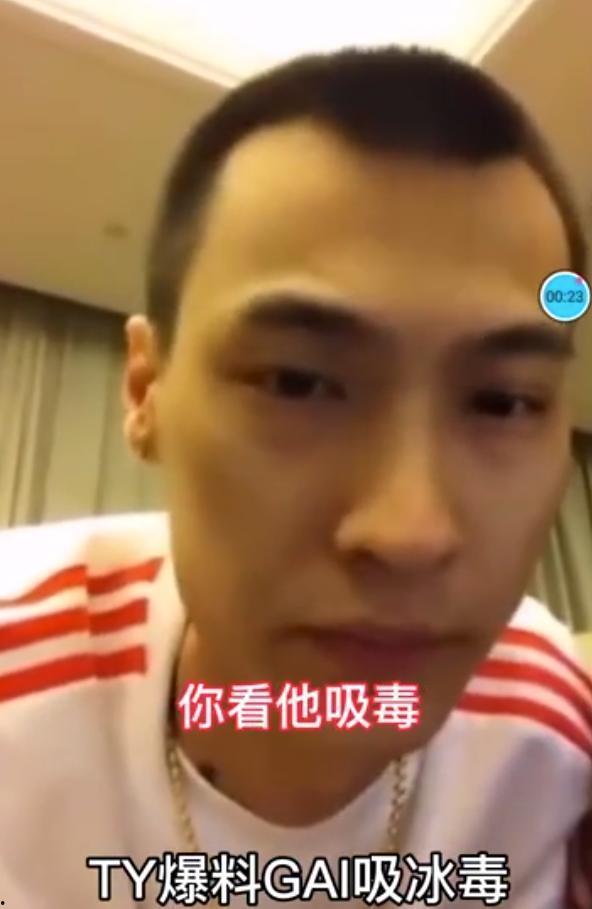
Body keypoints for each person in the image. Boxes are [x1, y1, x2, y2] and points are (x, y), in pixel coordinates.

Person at [0, 44, 591, 908]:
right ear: (146, 390)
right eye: (297, 382)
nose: (410, 533)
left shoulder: (557, 744)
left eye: (503, 401)